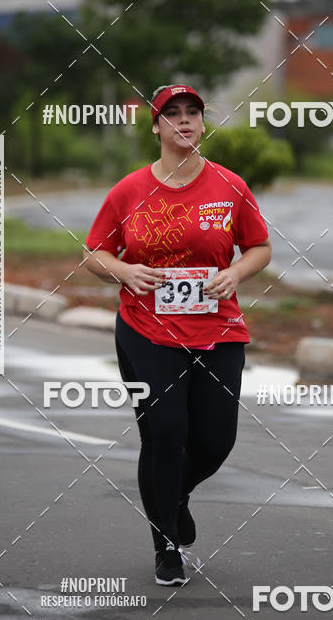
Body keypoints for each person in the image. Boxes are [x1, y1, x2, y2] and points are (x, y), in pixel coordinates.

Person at [85, 83, 271, 585]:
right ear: (156, 126)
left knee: (214, 442)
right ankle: (166, 543)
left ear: (203, 123)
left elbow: (259, 247)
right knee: (165, 434)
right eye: (172, 114)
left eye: (192, 113)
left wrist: (236, 274)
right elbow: (95, 253)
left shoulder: (230, 186)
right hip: (147, 329)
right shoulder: (128, 190)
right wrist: (123, 272)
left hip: (218, 330)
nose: (183, 121)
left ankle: (176, 495)